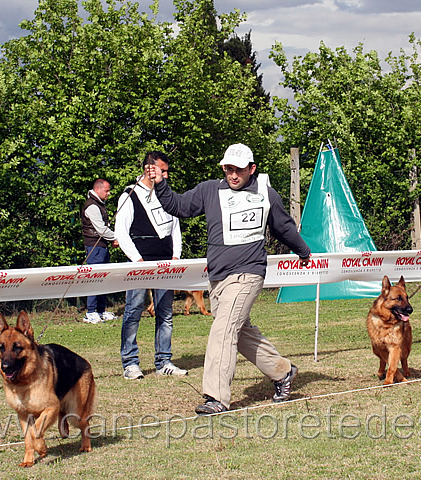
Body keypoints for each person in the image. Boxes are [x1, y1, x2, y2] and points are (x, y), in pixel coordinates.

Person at [151, 143, 311, 414]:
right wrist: (160, 184)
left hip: (249, 273)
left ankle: (216, 397)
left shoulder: (266, 194)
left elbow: (283, 227)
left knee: (223, 331)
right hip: (218, 277)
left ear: (252, 169)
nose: (233, 175)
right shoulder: (209, 190)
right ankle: (283, 372)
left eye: (238, 169)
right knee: (241, 333)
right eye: (228, 169)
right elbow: (179, 206)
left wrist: (303, 251)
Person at [115, 151, 187, 379]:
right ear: (149, 169)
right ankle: (130, 362)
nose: (165, 175)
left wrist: (176, 256)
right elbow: (121, 233)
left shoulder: (166, 194)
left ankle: (164, 360)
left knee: (165, 313)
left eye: (166, 171)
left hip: (165, 263)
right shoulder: (129, 194)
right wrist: (138, 261)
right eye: (161, 171)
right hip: (140, 265)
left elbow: (175, 226)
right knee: (133, 311)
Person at [81, 178, 119, 324]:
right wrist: (117, 238)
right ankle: (91, 312)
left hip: (102, 246)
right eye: (107, 190)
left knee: (104, 278)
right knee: (94, 278)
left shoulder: (99, 204)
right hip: (94, 247)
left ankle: (101, 310)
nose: (109, 193)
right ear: (98, 190)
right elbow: (101, 229)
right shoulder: (92, 206)